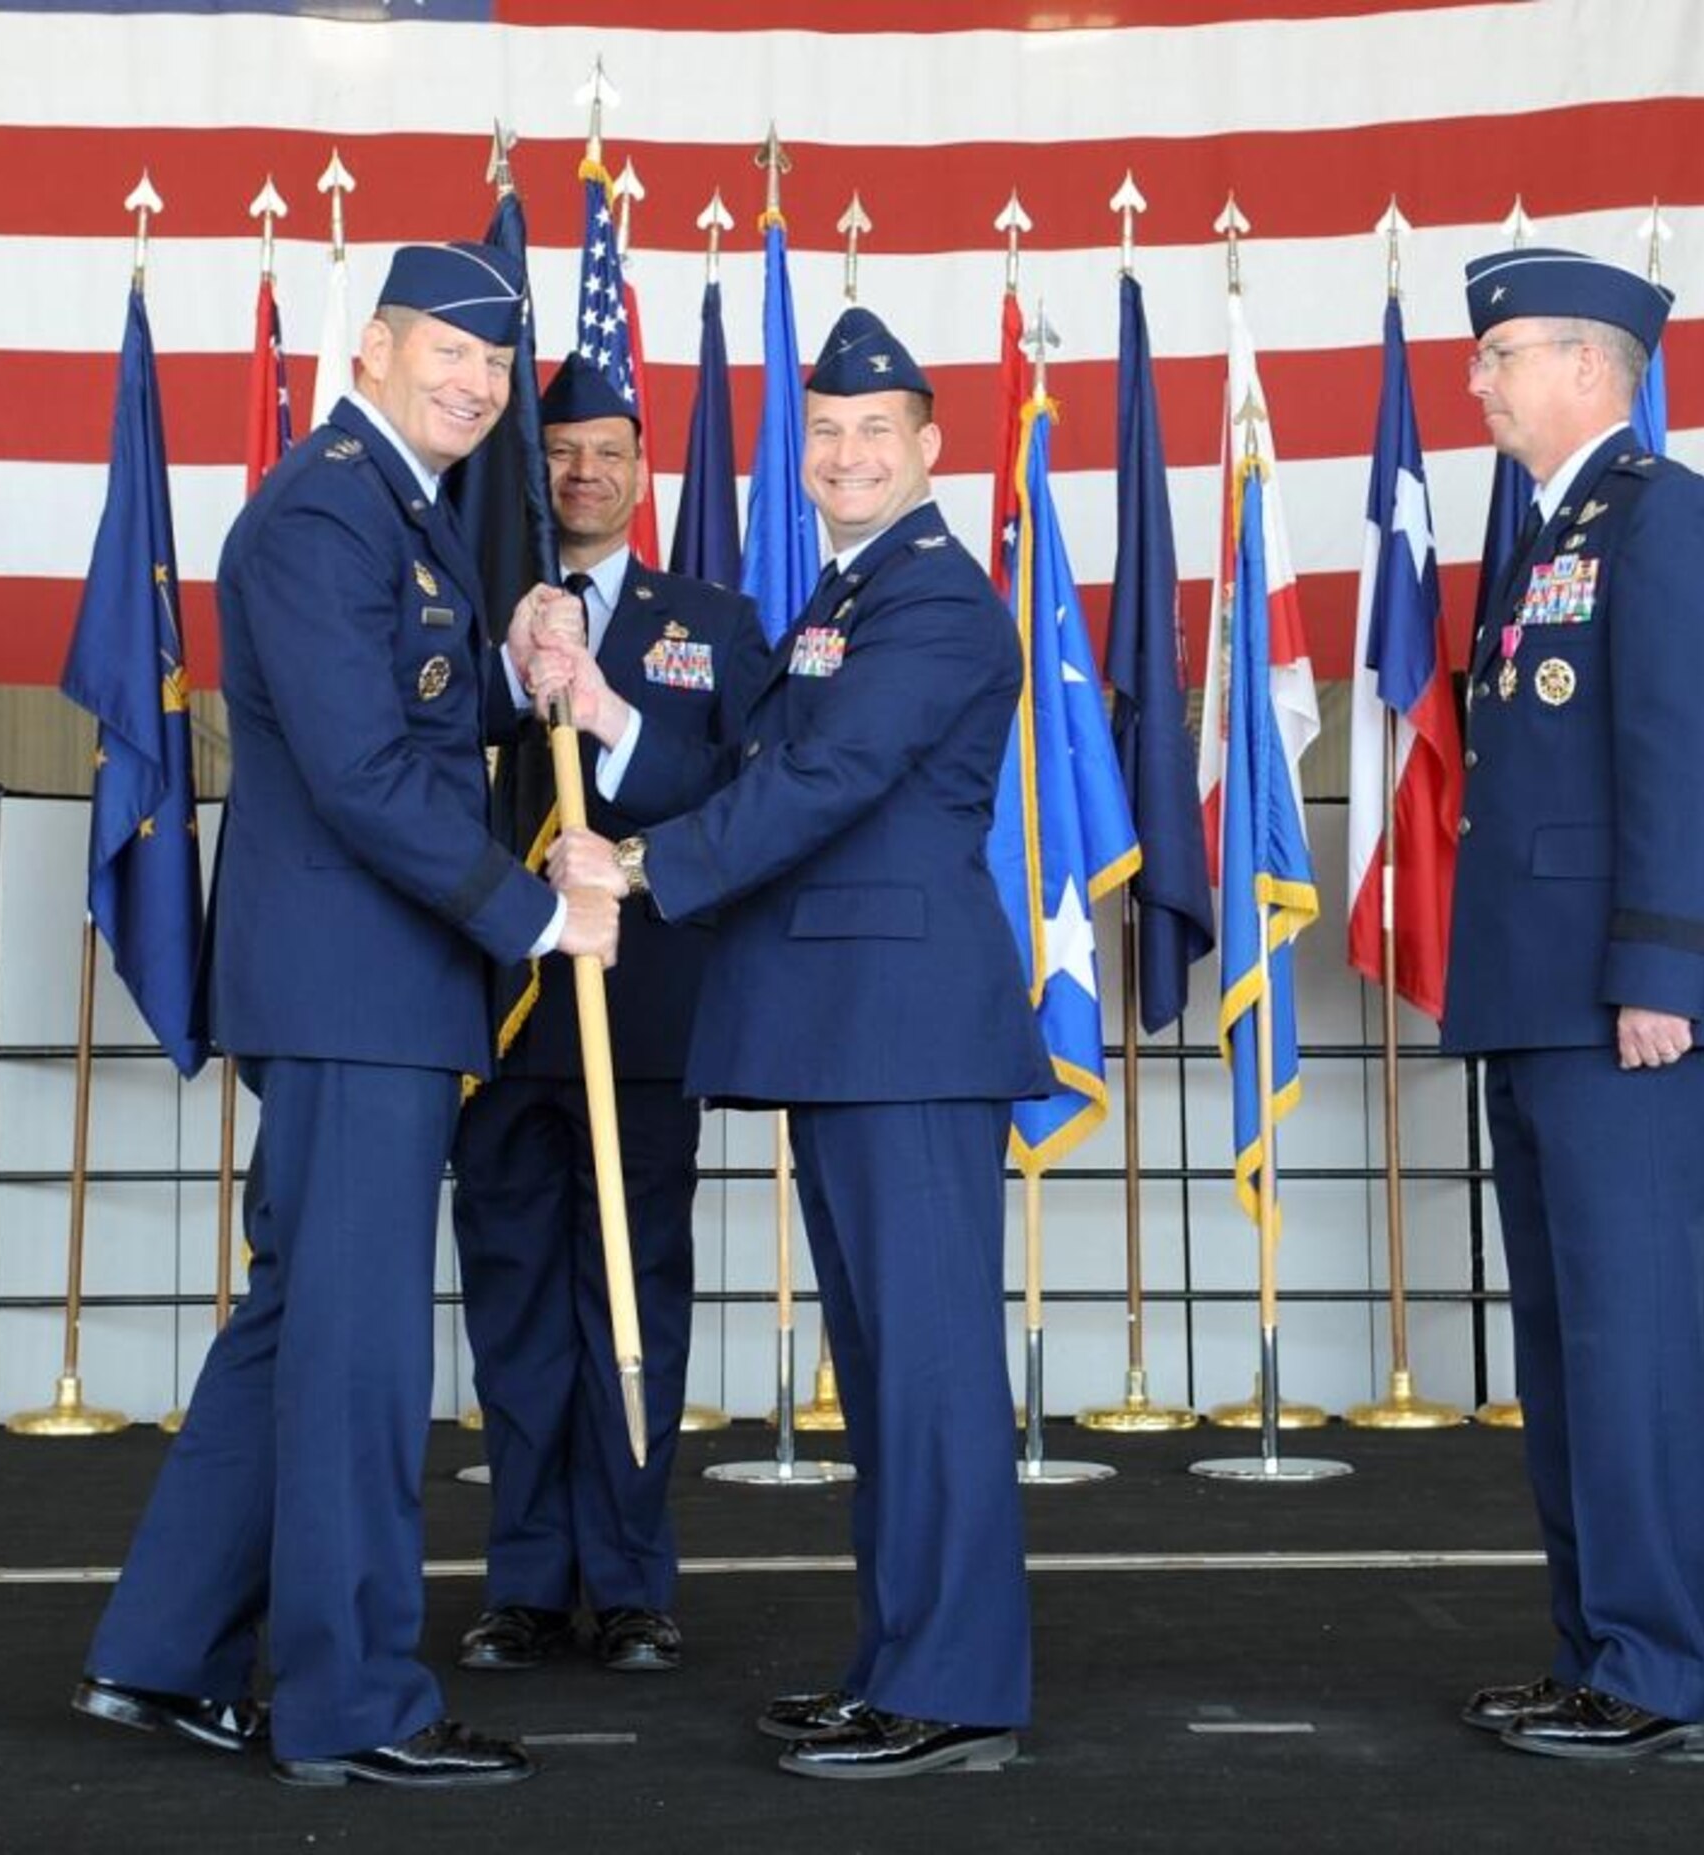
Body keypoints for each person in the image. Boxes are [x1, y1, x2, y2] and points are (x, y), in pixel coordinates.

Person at [71, 243, 619, 1791]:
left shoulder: (396, 509)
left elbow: (415, 712)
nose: (477, 384)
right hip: (357, 996)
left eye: (496, 367)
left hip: (370, 991)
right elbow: (367, 775)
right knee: (361, 1360)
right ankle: (354, 1699)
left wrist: (516, 677)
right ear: (371, 348)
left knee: (298, 1325)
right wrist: (534, 915)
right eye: (448, 352)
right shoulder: (326, 505)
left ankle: (159, 1654)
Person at [537, 305, 1052, 1781]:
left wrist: (634, 870)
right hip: (850, 1035)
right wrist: (602, 710)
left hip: (905, 1033)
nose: (844, 454)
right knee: (885, 1371)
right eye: (824, 433)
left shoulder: (939, 601)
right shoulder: (842, 590)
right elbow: (734, 757)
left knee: (931, 1369)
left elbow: (822, 778)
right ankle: (900, 1663)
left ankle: (955, 1691)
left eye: (874, 433)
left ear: (929, 448)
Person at [1442, 248, 1704, 1760]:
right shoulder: (1551, 533)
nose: (1482, 379)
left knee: (1627, 1347)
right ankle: (1595, 1649)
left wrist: (1655, 973)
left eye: (1504, 355)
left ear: (1590, 364)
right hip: (1537, 998)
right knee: (1568, 1354)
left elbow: (1687, 762)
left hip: (1619, 1006)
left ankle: (1660, 1671)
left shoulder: (1666, 518)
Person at [450, 354, 767, 1678]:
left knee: (634, 1301)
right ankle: (525, 1582)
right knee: (516, 1311)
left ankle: (632, 1581)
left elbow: (734, 797)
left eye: (610, 453)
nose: (585, 474)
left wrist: (604, 709)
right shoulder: (465, 607)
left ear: (646, 469)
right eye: (561, 452)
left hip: (637, 1023)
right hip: (495, 1022)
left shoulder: (712, 623)